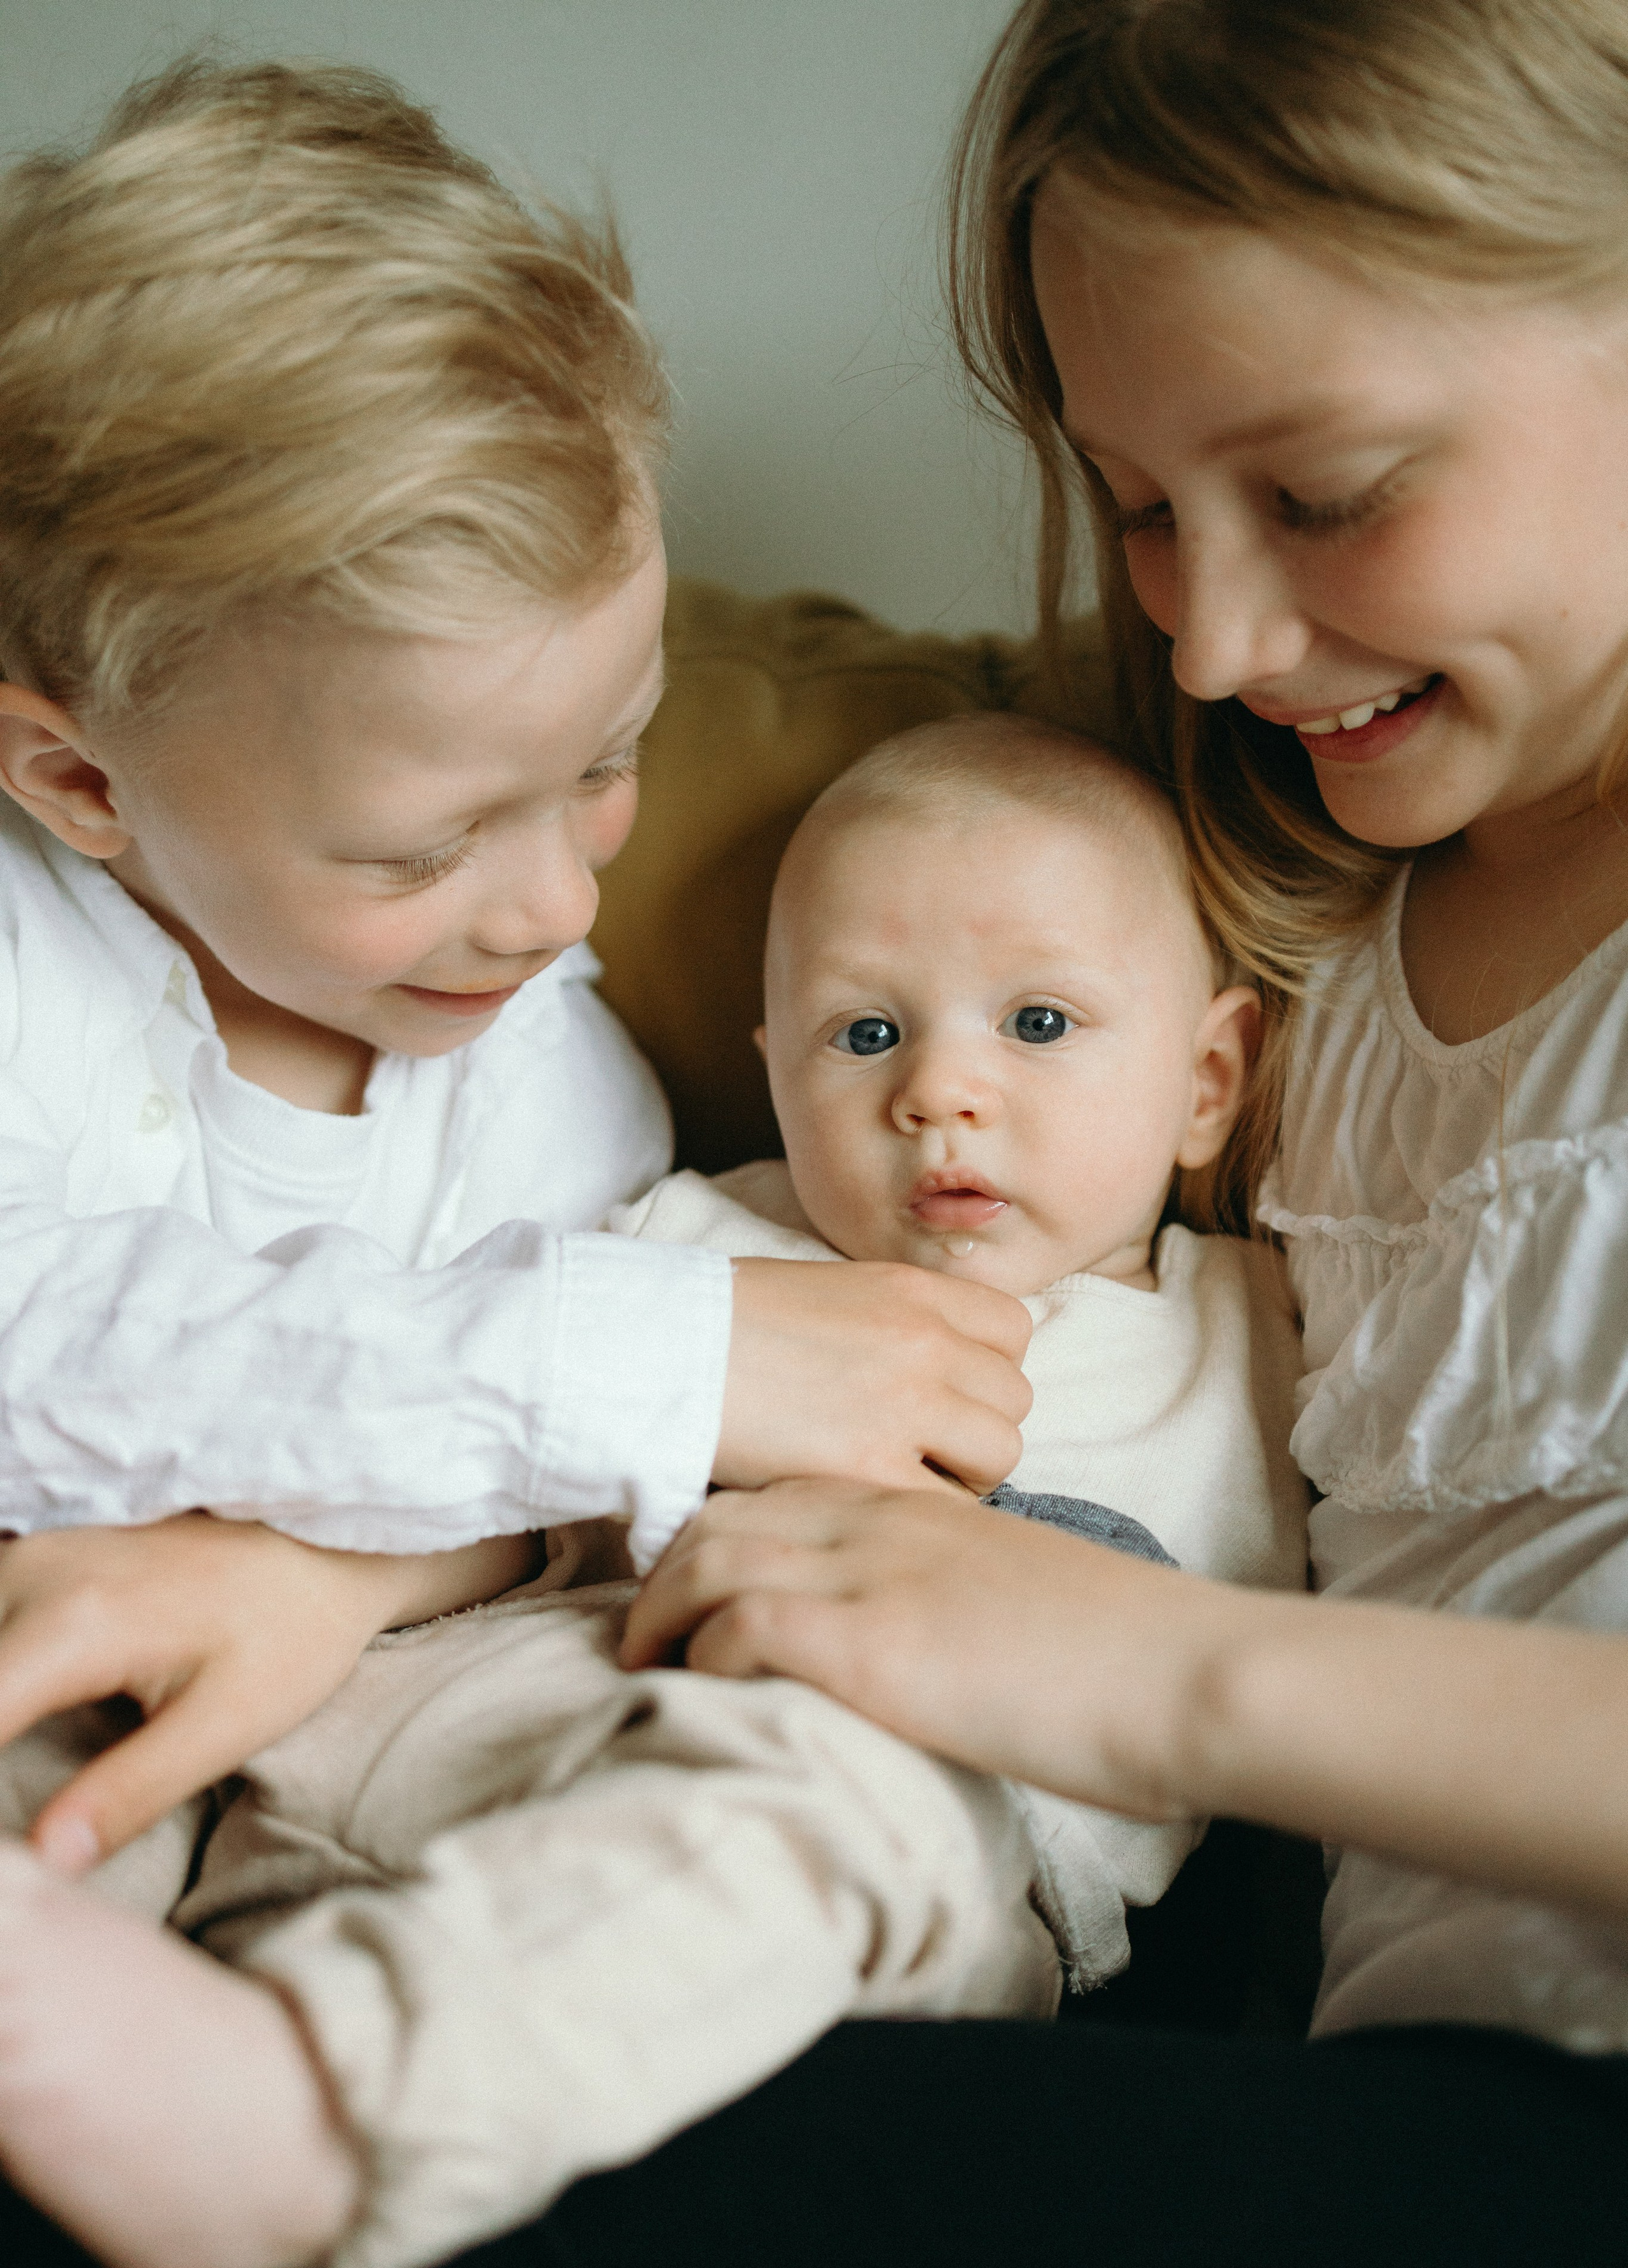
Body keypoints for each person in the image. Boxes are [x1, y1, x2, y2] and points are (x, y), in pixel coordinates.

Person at [11, 1, 1628, 2268]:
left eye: (1328, 488)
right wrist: (328, 1577)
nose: (1207, 640)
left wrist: (1131, 1668)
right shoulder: (1296, 935)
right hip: (1361, 2087)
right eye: (1140, 510)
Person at [0, 708, 1306, 2268]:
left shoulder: (1260, 1336)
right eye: (863, 1035)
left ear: (1206, 1081)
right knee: (108, 1647)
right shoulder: (696, 1231)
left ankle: (319, 2103)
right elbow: (496, 1468)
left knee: (852, 1804)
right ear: (769, 1068)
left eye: (1036, 1022)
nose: (940, 1092)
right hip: (440, 1715)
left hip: (851, 1825)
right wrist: (312, 1583)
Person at [0, 53, 1031, 1887]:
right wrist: (634, 1362)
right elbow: (41, 1340)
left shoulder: (535, 1065)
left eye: (604, 766)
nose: (558, 906)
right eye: (420, 851)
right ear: (81, 782)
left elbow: (569, 1505)